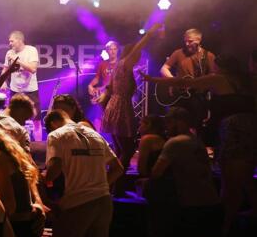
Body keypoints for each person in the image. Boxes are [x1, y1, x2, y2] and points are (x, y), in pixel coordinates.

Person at [144, 54, 256, 234]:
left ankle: (222, 228)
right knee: (247, 177)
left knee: (229, 183)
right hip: (251, 128)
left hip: (234, 130)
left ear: (220, 67)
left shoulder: (219, 79)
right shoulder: (248, 82)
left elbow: (184, 83)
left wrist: (153, 80)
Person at [42, 109, 124, 237]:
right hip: (103, 202)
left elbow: (54, 169)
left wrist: (42, 178)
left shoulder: (56, 135)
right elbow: (118, 168)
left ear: (53, 123)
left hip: (76, 204)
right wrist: (99, 185)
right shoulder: (95, 135)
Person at [150, 108, 225, 237]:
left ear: (180, 122)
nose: (166, 126)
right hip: (212, 201)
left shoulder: (175, 142)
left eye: (169, 122)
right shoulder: (196, 140)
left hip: (196, 204)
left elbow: (156, 172)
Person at [102, 23, 162, 196]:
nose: (138, 58)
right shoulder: (124, 64)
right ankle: (116, 187)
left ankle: (113, 187)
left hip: (114, 106)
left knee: (120, 150)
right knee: (127, 150)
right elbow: (138, 48)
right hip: (121, 107)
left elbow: (109, 89)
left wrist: (104, 105)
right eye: (137, 56)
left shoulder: (119, 66)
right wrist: (149, 34)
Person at [159, 28, 217, 132]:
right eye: (185, 41)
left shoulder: (209, 56)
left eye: (190, 41)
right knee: (174, 123)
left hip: (198, 97)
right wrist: (173, 80)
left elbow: (214, 76)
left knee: (195, 125)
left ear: (199, 40)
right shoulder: (178, 53)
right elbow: (164, 68)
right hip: (179, 97)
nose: (186, 44)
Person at [135, 115, 177, 237]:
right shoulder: (166, 139)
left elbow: (141, 169)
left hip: (156, 185)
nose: (139, 127)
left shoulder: (147, 139)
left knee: (155, 226)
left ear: (149, 124)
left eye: (141, 124)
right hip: (171, 185)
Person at [2, 31, 40, 122]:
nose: (10, 43)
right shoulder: (9, 53)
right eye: (9, 41)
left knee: (36, 119)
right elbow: (5, 69)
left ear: (19, 40)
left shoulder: (31, 50)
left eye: (12, 41)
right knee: (12, 118)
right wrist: (3, 82)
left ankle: (37, 133)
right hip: (15, 90)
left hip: (30, 90)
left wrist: (16, 60)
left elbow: (33, 69)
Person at [87, 41, 119, 107]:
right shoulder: (102, 64)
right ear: (107, 51)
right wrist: (90, 85)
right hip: (104, 94)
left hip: (116, 94)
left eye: (115, 49)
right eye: (110, 49)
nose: (113, 52)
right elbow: (97, 78)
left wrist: (101, 88)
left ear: (117, 50)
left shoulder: (121, 64)